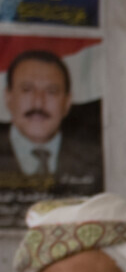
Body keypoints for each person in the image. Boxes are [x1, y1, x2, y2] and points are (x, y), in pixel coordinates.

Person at [0, 49, 104, 194]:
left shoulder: (98, 161)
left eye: (51, 91)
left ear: (67, 102)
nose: (38, 103)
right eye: (27, 90)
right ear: (8, 97)